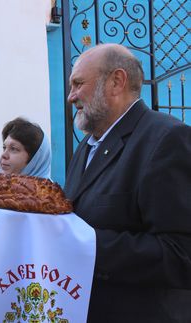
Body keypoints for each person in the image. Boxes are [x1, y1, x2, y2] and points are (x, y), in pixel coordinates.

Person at [64, 44, 191, 321]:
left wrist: (85, 243)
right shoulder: (87, 145)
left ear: (116, 82)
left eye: (78, 84)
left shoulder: (167, 139)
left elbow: (180, 254)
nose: (71, 96)